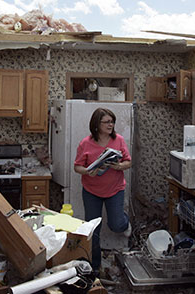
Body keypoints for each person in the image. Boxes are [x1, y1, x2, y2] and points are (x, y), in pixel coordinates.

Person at [74, 108, 132, 273]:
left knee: (116, 224)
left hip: (115, 189)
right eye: (107, 122)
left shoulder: (118, 140)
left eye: (112, 121)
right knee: (93, 231)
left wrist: (119, 166)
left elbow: (128, 162)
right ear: (96, 124)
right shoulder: (85, 143)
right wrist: (87, 171)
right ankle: (95, 266)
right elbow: (77, 166)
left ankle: (125, 222)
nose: (111, 125)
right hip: (91, 191)